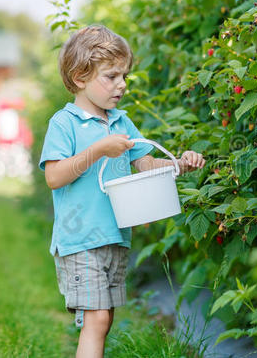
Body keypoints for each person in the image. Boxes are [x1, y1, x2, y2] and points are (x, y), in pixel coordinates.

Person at [38, 24, 205, 358]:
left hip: (114, 236)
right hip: (80, 239)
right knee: (96, 319)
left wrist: (178, 164)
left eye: (124, 76)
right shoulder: (65, 123)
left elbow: (144, 164)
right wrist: (98, 150)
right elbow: (54, 176)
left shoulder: (121, 122)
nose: (122, 85)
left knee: (106, 318)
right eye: (111, 76)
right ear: (80, 77)